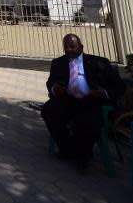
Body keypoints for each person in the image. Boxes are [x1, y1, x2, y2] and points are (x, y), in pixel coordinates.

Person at [41, 33, 125, 173]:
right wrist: (55, 89)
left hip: (90, 100)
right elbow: (51, 83)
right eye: (66, 47)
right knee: (48, 111)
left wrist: (102, 92)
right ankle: (68, 149)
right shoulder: (58, 63)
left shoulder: (98, 63)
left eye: (72, 47)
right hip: (67, 99)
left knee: (88, 122)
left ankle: (83, 156)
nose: (69, 50)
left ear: (80, 46)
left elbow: (119, 86)